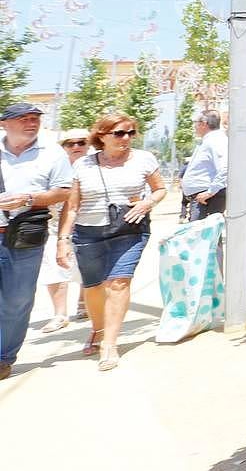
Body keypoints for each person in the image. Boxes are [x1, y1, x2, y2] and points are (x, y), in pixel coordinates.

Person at [59, 113, 166, 371]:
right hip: (88, 232)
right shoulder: (83, 165)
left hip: (129, 228)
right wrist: (63, 239)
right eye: (119, 133)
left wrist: (147, 202)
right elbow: (72, 206)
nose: (126, 138)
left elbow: (160, 188)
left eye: (131, 133)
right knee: (94, 287)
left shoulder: (144, 159)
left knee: (118, 282)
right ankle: (97, 329)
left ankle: (109, 343)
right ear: (102, 136)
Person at [0, 103, 75, 379]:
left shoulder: (52, 153)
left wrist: (28, 199)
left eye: (35, 119)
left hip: (23, 236)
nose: (31, 123)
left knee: (16, 300)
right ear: (4, 123)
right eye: (23, 119)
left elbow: (63, 192)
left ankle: (4, 357)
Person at [37, 129, 90, 332]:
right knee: (54, 266)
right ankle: (60, 314)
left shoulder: (97, 165)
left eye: (81, 142)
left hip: (87, 225)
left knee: (87, 267)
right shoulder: (53, 166)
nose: (76, 147)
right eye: (70, 143)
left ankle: (84, 304)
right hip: (53, 226)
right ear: (63, 147)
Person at [180, 110, 227, 223]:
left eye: (195, 122)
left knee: (202, 236)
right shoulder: (208, 141)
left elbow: (225, 168)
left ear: (204, 123)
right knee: (203, 236)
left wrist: (209, 192)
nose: (194, 126)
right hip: (203, 197)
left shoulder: (216, 141)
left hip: (207, 198)